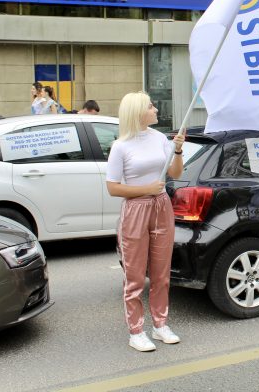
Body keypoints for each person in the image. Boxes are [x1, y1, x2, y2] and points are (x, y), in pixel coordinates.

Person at [106, 92, 186, 352]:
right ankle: (136, 331)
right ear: (138, 112)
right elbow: (113, 187)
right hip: (136, 209)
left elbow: (175, 173)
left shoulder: (160, 138)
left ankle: (160, 325)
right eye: (151, 106)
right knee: (135, 275)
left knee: (162, 273)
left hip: (162, 205)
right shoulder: (121, 146)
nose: (156, 109)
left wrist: (178, 150)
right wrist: (146, 189)